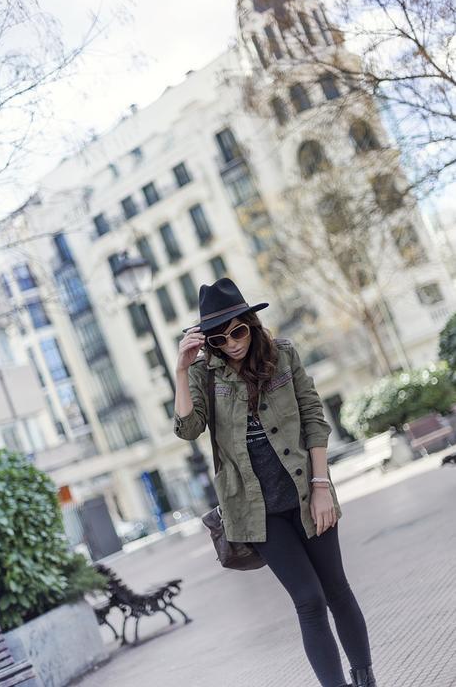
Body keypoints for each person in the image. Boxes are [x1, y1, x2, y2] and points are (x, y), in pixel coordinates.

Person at [173, 277, 377, 687]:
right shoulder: (204, 375)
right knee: (308, 600)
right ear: (207, 342)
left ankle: (365, 679)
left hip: (306, 492)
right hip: (255, 511)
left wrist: (322, 488)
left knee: (337, 590)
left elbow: (314, 419)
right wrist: (181, 368)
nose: (232, 343)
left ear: (250, 322)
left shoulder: (282, 355)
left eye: (238, 331)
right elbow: (188, 428)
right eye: (219, 339)